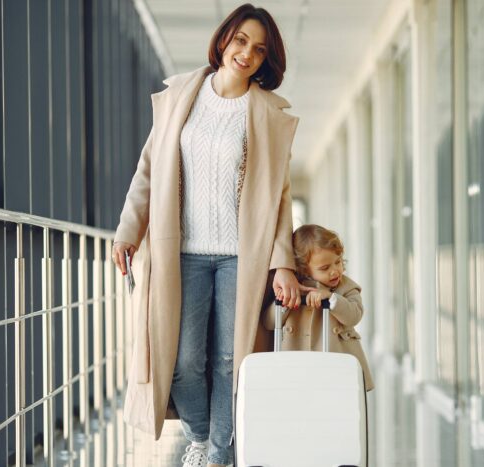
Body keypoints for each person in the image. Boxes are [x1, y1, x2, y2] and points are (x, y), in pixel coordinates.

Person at [111, 4, 308, 467]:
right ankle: (201, 437)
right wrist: (127, 232)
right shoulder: (181, 95)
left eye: (259, 49)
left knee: (229, 362)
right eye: (241, 41)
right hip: (181, 254)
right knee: (181, 362)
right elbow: (148, 171)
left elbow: (279, 197)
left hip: (243, 256)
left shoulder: (267, 115)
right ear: (224, 40)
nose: (247, 54)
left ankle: (218, 455)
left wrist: (282, 262)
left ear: (266, 60)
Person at [262, 224, 375, 391]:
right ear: (303, 269)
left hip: (337, 367)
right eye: (325, 268)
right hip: (297, 367)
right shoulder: (293, 289)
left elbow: (354, 316)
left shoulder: (347, 288)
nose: (335, 271)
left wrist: (331, 297)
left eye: (338, 262)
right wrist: (286, 302)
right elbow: (269, 323)